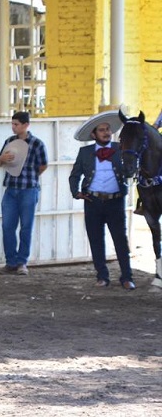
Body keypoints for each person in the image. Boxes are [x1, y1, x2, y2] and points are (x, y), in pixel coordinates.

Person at [68, 111, 135, 290]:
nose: (106, 132)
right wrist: (76, 193)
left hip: (115, 201)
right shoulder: (85, 152)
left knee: (120, 240)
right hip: (93, 201)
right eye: (102, 130)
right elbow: (74, 175)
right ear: (94, 134)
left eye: (108, 129)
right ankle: (102, 276)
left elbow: (130, 172)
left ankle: (127, 277)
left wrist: (130, 167)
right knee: (96, 240)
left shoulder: (120, 148)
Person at [0, 111, 48, 275]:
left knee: (25, 227)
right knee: (8, 226)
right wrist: (2, 159)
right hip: (12, 188)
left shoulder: (37, 144)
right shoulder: (9, 142)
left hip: (27, 190)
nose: (13, 127)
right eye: (12, 124)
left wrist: (30, 177)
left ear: (25, 125)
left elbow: (43, 165)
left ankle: (21, 262)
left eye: (16, 124)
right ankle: (12, 262)